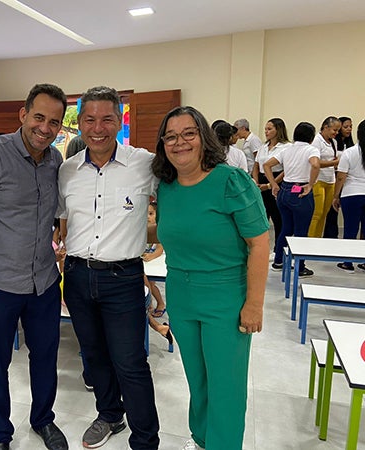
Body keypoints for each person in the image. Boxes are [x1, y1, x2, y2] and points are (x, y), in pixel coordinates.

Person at [150, 106, 269, 450]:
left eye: (189, 133)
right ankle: (202, 439)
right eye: (171, 136)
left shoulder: (231, 181)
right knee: (198, 378)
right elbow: (171, 230)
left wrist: (254, 304)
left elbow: (259, 243)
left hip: (225, 297)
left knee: (225, 385)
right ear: (163, 145)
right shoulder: (167, 187)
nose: (180, 142)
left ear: (204, 137)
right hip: (181, 295)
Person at [0, 83, 68, 450]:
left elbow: (57, 213)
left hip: (44, 281)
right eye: (39, 117)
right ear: (23, 114)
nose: (45, 128)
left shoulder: (55, 161)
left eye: (54, 122)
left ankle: (43, 419)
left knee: (45, 357)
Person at [59, 86, 160, 450]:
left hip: (123, 278)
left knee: (130, 362)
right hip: (77, 276)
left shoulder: (145, 164)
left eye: (106, 119)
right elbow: (62, 221)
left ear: (120, 121)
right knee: (94, 355)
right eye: (89, 119)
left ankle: (145, 440)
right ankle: (110, 415)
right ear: (79, 124)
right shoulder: (67, 170)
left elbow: (181, 194)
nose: (97, 128)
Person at [263, 122, 320, 277]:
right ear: (311, 137)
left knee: (286, 228)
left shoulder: (287, 149)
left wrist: (274, 184)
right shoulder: (311, 149)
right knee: (301, 231)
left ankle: (278, 262)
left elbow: (266, 165)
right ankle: (300, 267)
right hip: (300, 191)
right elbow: (315, 165)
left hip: (285, 191)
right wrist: (310, 184)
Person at [252, 118, 290, 256]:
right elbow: (256, 165)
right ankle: (260, 248)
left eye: (269, 129)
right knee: (261, 216)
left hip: (276, 180)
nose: (266, 132)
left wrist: (270, 185)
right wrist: (256, 182)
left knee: (277, 217)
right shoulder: (263, 147)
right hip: (261, 180)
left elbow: (286, 170)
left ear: (278, 130)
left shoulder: (286, 147)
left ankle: (278, 250)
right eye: (265, 129)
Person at [332, 119, 365, 272]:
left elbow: (341, 177)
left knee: (350, 229)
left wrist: (336, 196)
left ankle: (348, 262)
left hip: (351, 194)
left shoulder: (350, 152)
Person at [308, 116, 341, 237]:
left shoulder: (334, 142)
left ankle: (317, 238)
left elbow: (332, 160)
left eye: (338, 130)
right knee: (317, 213)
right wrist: (334, 162)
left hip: (330, 180)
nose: (336, 133)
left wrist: (335, 162)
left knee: (324, 213)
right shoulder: (316, 141)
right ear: (325, 127)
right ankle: (309, 239)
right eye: (334, 130)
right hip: (318, 180)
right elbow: (316, 162)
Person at [323, 116, 354, 239]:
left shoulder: (351, 146)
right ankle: (330, 235)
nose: (349, 129)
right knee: (331, 209)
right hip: (334, 176)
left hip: (347, 179)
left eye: (350, 126)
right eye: (345, 127)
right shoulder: (333, 143)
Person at [143, 202, 166, 318]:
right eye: (145, 214)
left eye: (151, 214)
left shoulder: (159, 229)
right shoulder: (142, 230)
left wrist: (150, 257)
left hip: (156, 262)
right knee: (145, 282)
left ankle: (159, 303)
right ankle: (149, 305)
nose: (148, 217)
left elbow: (159, 250)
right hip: (146, 263)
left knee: (151, 284)